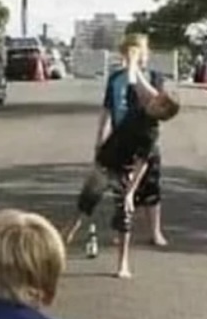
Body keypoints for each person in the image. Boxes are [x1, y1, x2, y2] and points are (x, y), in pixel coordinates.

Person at [64, 34, 169, 249]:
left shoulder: (153, 77)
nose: (137, 57)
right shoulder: (115, 79)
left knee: (150, 187)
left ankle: (155, 231)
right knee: (116, 186)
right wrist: (100, 137)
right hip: (120, 139)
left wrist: (136, 70)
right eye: (131, 52)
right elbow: (107, 110)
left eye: (140, 52)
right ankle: (120, 229)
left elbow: (156, 98)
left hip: (144, 140)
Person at [95, 70, 180, 278]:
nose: (152, 101)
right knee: (85, 201)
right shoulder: (136, 99)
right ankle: (64, 238)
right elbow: (133, 88)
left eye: (157, 101)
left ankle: (123, 262)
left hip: (126, 165)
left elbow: (141, 164)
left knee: (127, 207)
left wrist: (131, 192)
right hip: (108, 157)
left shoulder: (151, 129)